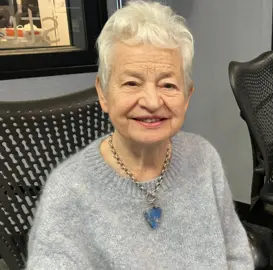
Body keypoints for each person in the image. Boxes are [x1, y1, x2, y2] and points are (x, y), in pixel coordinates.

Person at [25, 1, 254, 269]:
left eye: (168, 84)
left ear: (187, 96)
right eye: (132, 83)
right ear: (103, 93)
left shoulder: (204, 158)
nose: (152, 101)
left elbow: (236, 254)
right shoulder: (69, 191)